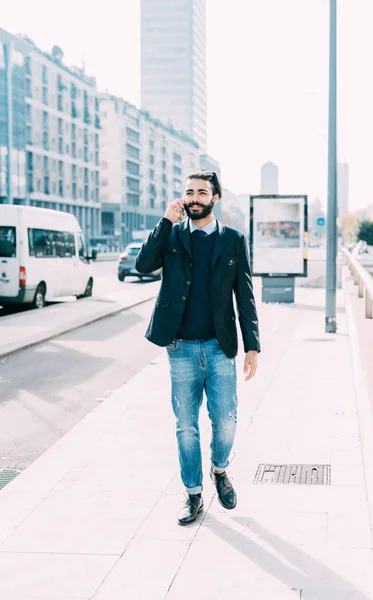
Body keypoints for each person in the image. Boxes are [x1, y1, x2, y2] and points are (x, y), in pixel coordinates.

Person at [136, 170, 260, 526]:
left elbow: (246, 297)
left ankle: (219, 470)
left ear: (215, 197)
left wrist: (253, 346)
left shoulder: (233, 240)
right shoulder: (172, 235)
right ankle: (193, 494)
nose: (193, 197)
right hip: (181, 349)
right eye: (188, 192)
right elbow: (144, 265)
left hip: (221, 347)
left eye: (201, 192)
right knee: (186, 426)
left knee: (225, 421)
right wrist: (164, 220)